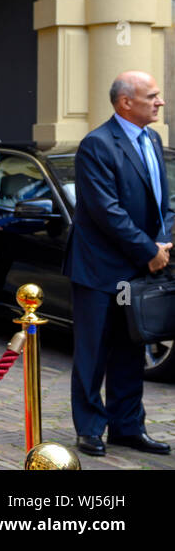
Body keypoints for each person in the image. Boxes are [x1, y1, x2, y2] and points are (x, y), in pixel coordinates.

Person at [64, 70, 173, 457]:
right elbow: (106, 211)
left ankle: (127, 427)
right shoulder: (96, 144)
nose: (160, 102)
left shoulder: (154, 139)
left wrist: (164, 242)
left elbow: (164, 201)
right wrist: (148, 249)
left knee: (131, 349)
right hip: (99, 268)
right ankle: (91, 428)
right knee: (94, 351)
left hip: (139, 267)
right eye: (152, 96)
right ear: (126, 102)